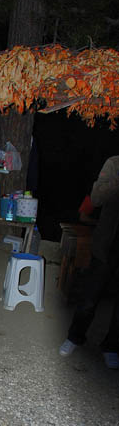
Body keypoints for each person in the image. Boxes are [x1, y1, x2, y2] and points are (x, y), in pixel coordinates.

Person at [59, 155, 119, 369]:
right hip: (105, 245)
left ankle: (112, 346)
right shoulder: (114, 163)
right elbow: (95, 198)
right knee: (89, 298)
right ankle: (74, 337)